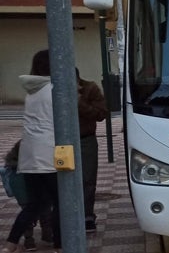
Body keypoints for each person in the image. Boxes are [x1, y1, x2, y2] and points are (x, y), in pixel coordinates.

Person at [3, 49, 62, 253]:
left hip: (29, 156)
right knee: (61, 203)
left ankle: (10, 245)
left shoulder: (33, 91)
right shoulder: (55, 89)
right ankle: (60, 246)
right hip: (50, 154)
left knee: (34, 205)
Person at [76, 68, 107, 233]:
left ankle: (87, 216)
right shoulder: (51, 90)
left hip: (85, 139)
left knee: (87, 179)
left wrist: (79, 102)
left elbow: (101, 114)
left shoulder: (90, 88)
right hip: (57, 141)